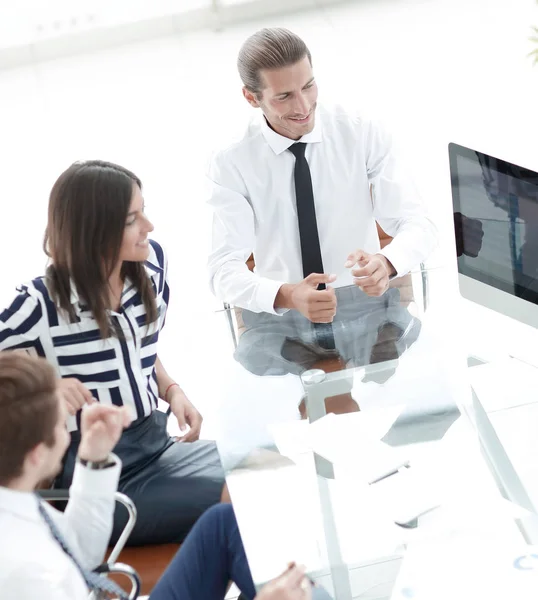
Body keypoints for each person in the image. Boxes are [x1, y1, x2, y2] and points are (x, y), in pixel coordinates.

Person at [0, 160, 226, 546]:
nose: (148, 227)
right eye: (131, 220)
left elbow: (137, 345)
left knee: (264, 465)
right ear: (94, 230)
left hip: (157, 444)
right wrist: (47, 388)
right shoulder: (39, 303)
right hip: (101, 480)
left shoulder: (151, 265)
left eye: (144, 211)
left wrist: (171, 389)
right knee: (240, 495)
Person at [207, 27, 434, 387]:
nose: (303, 106)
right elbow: (222, 270)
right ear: (252, 98)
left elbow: (418, 223)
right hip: (282, 326)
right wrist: (286, 294)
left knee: (430, 389)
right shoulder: (232, 161)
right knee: (252, 410)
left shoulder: (360, 131)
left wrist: (387, 262)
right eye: (284, 96)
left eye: (309, 86)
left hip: (370, 312)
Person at [0, 351, 313, 600]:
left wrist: (93, 458)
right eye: (61, 424)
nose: (69, 432)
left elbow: (82, 551)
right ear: (37, 454)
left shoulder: (17, 502)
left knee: (224, 522)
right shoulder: (24, 573)